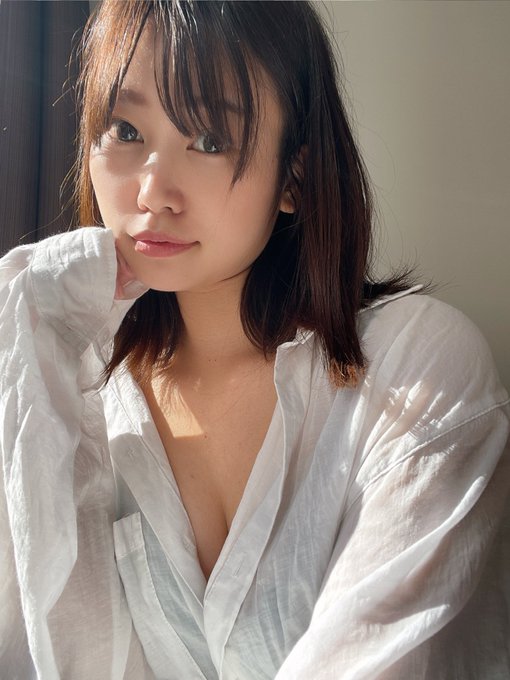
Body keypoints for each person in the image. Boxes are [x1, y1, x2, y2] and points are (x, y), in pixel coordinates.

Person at [1, 1, 509, 678]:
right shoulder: (76, 387)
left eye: (210, 140)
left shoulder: (416, 370)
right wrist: (40, 325)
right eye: (125, 130)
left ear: (294, 175)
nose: (152, 191)